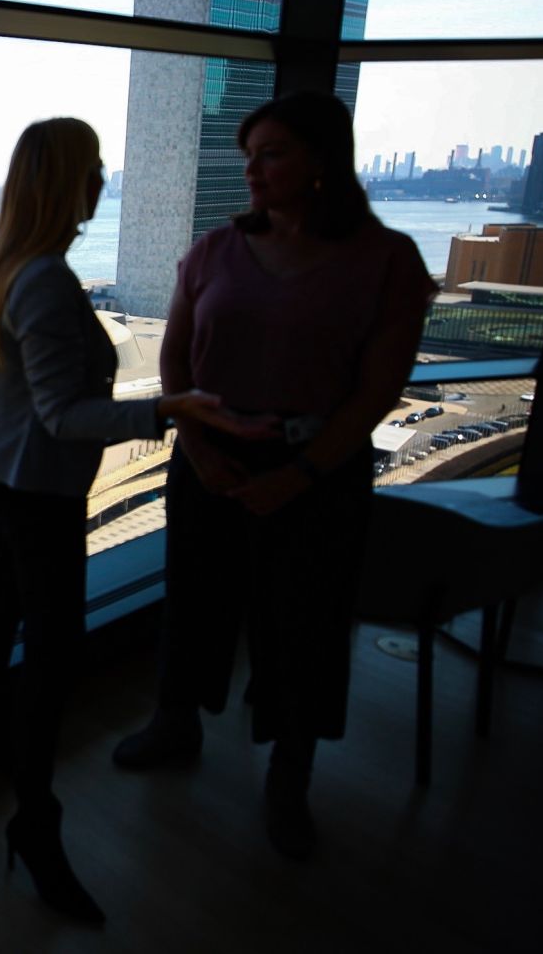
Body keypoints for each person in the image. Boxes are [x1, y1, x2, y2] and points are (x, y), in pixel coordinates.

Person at [111, 92, 435, 860]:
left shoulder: (387, 261)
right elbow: (175, 360)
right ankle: (177, 720)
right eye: (248, 154)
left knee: (306, 625)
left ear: (323, 159)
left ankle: (291, 774)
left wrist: (301, 473)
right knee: (194, 599)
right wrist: (195, 443)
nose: (252, 169)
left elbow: (378, 390)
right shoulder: (213, 250)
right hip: (209, 462)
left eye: (273, 153)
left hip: (317, 473)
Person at [0, 117, 270, 924]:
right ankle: (35, 821)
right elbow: (65, 414)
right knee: (55, 653)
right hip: (39, 490)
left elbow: (29, 396)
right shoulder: (47, 280)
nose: (105, 177)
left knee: (3, 607)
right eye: (94, 166)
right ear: (66, 180)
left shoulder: (3, 262)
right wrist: (169, 407)